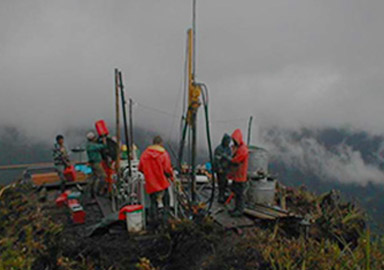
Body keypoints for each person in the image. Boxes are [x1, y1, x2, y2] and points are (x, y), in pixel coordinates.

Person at [138, 136, 174, 226]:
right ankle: (165, 222)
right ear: (161, 143)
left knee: (153, 202)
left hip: (150, 183)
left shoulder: (144, 154)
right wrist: (171, 176)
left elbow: (140, 168)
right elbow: (167, 169)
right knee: (166, 201)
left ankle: (154, 222)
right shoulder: (163, 154)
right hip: (162, 182)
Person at [229, 129, 249, 217]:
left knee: (240, 194)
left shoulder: (243, 149)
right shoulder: (238, 148)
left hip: (241, 176)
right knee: (236, 193)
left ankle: (239, 210)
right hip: (236, 175)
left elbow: (236, 160)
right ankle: (236, 208)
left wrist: (229, 159)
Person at [85, 132, 107, 198]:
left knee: (94, 177)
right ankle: (100, 191)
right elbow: (103, 146)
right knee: (103, 176)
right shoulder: (92, 146)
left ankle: (91, 192)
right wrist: (104, 140)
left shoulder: (89, 145)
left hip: (93, 163)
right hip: (96, 163)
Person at [214, 134, 232, 204]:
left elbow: (230, 158)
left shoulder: (228, 149)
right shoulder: (219, 148)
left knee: (225, 183)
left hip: (226, 169)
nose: (228, 143)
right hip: (221, 169)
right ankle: (220, 196)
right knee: (221, 183)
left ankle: (224, 195)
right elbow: (216, 160)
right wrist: (219, 168)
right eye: (227, 141)